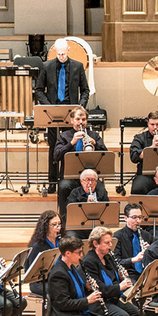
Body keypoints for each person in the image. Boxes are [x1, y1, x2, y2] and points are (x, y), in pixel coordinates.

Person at [35, 38, 91, 190]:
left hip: (71, 114)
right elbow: (39, 90)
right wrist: (49, 108)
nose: (61, 56)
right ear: (54, 51)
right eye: (59, 54)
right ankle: (52, 182)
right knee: (54, 148)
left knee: (69, 147)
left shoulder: (78, 66)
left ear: (68, 50)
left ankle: (68, 180)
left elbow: (85, 90)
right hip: (53, 114)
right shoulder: (46, 66)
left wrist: (79, 108)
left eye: (63, 54)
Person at [82, 226, 145, 316]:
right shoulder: (89, 261)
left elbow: (113, 278)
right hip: (99, 302)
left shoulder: (108, 257)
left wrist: (121, 277)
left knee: (138, 313)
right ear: (95, 244)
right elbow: (100, 289)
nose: (110, 245)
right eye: (107, 243)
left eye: (110, 242)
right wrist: (120, 287)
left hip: (113, 298)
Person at [52, 106, 107, 209]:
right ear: (72, 120)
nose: (81, 122)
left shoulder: (94, 135)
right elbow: (56, 156)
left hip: (90, 177)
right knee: (64, 187)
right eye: (77, 119)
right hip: (70, 177)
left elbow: (105, 155)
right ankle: (64, 217)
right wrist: (71, 143)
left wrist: (95, 143)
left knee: (101, 190)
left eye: (83, 119)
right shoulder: (64, 136)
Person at [61, 167, 110, 235]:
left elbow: (108, 210)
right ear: (81, 181)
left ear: (96, 182)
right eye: (87, 180)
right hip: (78, 228)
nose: (90, 183)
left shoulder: (101, 192)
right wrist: (86, 205)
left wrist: (97, 206)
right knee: (71, 237)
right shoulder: (75, 193)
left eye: (93, 180)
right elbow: (70, 213)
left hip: (97, 228)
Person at [25, 210, 62, 297]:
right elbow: (31, 271)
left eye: (59, 224)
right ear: (45, 226)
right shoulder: (38, 246)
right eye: (54, 225)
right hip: (41, 282)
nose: (58, 227)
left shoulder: (62, 241)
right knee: (61, 290)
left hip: (58, 279)